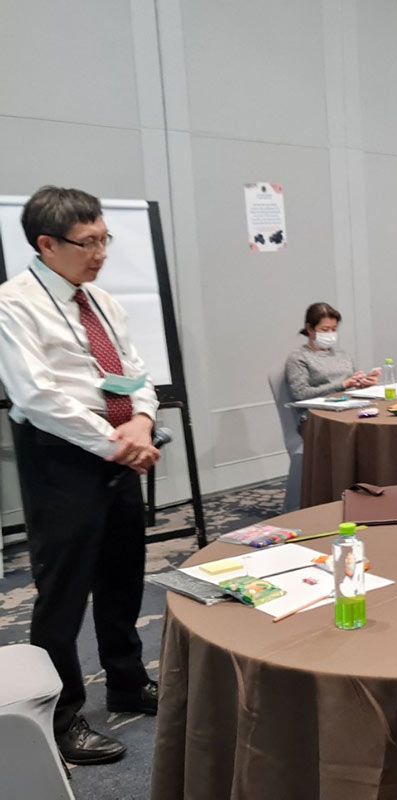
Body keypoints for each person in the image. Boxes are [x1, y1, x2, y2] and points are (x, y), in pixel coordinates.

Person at [0, 187, 163, 764]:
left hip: (120, 449)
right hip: (61, 457)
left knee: (123, 576)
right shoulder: (13, 304)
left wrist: (141, 421)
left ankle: (127, 680)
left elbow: (136, 373)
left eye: (104, 239)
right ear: (47, 244)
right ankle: (61, 714)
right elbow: (37, 396)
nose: (101, 254)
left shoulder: (102, 302)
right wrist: (118, 443)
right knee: (63, 593)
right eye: (87, 243)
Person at [285, 302, 379, 415]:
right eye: (325, 329)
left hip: (348, 407)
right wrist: (342, 385)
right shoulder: (299, 357)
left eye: (334, 329)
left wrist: (363, 383)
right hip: (318, 415)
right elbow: (300, 393)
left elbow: (351, 386)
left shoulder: (342, 355)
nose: (330, 334)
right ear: (309, 329)